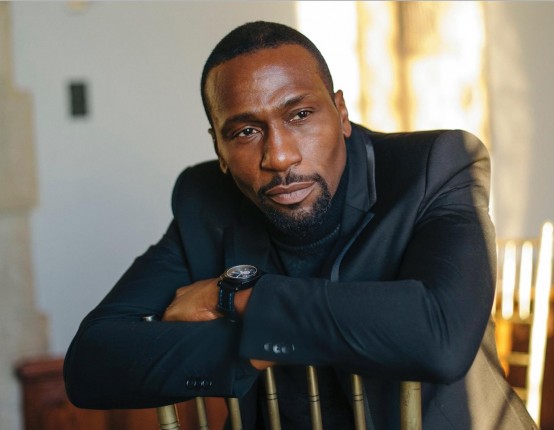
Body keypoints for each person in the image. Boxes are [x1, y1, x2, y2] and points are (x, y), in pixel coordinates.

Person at [64, 21, 537, 430]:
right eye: (246, 131)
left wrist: (231, 297)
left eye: (300, 115)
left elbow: (440, 338)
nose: (279, 156)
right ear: (219, 149)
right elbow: (92, 365)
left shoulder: (436, 166)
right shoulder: (204, 201)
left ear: (341, 113)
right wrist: (261, 342)